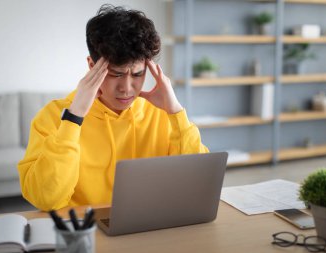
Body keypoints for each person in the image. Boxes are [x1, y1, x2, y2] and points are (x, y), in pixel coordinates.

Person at [17, 4, 208, 211]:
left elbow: (200, 184)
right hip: (85, 231)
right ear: (92, 66)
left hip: (149, 227)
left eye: (137, 74)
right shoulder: (54, 116)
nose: (126, 89)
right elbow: (46, 199)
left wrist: (176, 113)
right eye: (115, 74)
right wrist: (73, 119)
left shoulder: (163, 115)